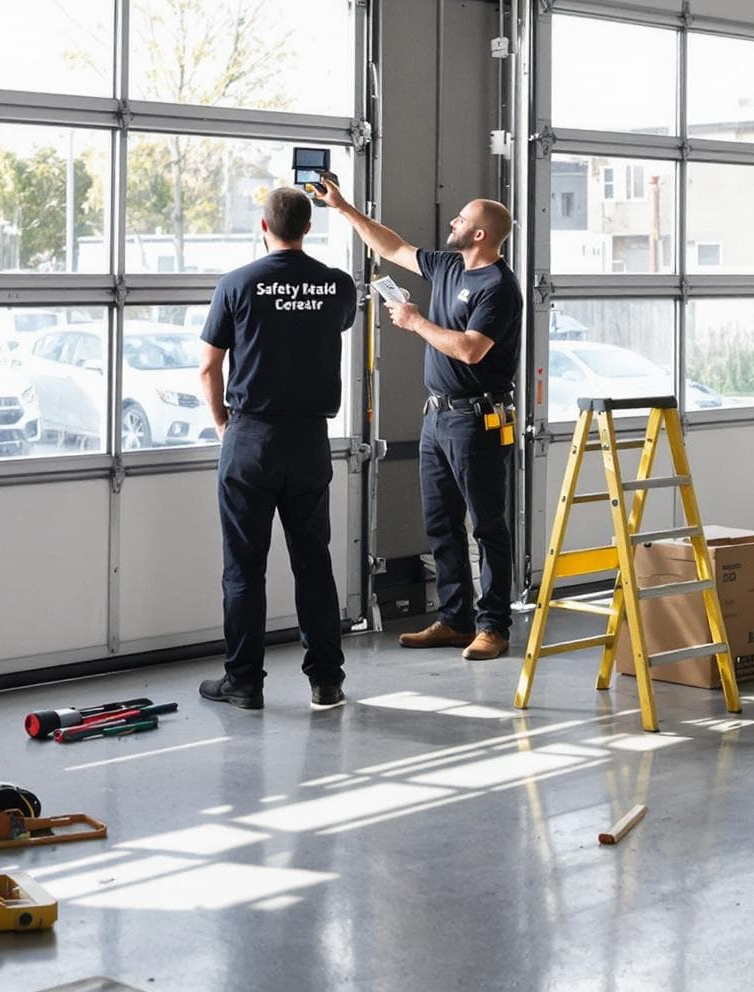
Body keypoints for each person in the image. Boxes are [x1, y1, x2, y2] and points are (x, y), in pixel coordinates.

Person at [315, 178, 522, 661]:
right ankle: (455, 619)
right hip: (437, 416)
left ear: (480, 236)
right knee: (441, 523)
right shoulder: (449, 266)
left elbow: (471, 350)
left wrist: (414, 322)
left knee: (487, 526)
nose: (453, 222)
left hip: (478, 420)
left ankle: (494, 626)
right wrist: (343, 207)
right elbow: (395, 247)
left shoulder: (498, 288)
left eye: (462, 219)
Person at [196, 186, 359, 712]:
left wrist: (224, 426)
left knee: (244, 567)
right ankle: (326, 682)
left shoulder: (237, 284)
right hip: (309, 439)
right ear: (308, 228)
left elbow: (209, 366)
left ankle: (244, 682)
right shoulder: (337, 287)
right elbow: (328, 327)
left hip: (250, 437)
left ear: (263, 227)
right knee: (313, 562)